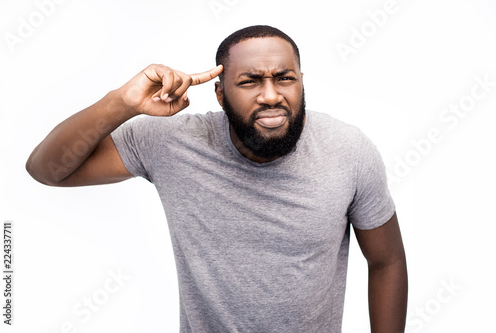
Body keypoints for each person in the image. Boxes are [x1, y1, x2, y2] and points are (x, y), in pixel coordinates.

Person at [26, 25, 407, 333]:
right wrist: (121, 103)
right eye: (250, 81)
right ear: (220, 94)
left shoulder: (349, 151)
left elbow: (387, 260)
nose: (271, 95)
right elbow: (47, 170)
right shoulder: (170, 143)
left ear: (301, 82)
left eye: (284, 78)